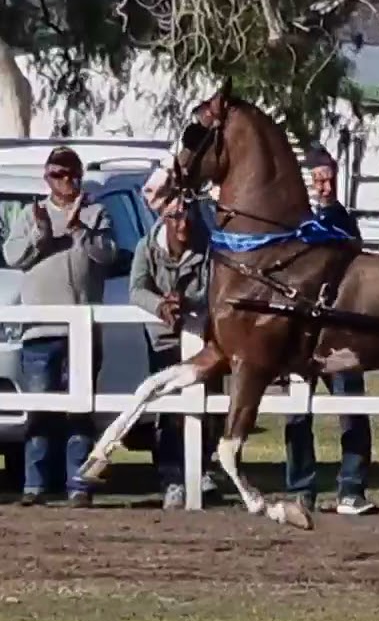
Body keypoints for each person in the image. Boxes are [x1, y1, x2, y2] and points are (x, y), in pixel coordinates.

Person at [2, 147, 116, 507]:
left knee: (80, 409)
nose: (65, 182)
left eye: (70, 175)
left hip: (82, 329)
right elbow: (13, 256)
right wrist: (40, 233)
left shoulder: (98, 213)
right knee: (39, 408)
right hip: (39, 328)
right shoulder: (30, 214)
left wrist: (81, 229)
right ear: (47, 177)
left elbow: (108, 255)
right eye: (57, 175)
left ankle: (79, 484)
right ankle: (35, 485)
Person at [283, 146, 375, 516]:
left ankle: (351, 488)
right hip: (303, 332)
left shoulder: (344, 221)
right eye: (319, 179)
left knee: (351, 407)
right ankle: (301, 488)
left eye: (330, 178)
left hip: (339, 331)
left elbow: (358, 260)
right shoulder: (292, 223)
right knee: (297, 413)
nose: (325, 186)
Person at [130, 198, 223, 510]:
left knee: (209, 406)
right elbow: (136, 289)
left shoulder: (207, 247)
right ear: (164, 217)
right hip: (165, 340)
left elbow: (212, 287)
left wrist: (187, 301)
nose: (183, 225)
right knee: (168, 413)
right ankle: (171, 477)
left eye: (188, 217)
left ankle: (204, 470)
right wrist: (160, 305)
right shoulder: (147, 248)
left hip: (202, 337)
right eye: (176, 218)